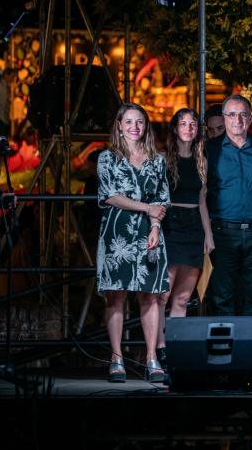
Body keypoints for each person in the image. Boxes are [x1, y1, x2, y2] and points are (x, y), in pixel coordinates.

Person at [96, 103, 169, 383]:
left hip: (150, 233)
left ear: (146, 126)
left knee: (150, 295)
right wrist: (146, 208)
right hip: (117, 235)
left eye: (139, 122)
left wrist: (154, 224)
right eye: (129, 122)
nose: (134, 127)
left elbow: (161, 198)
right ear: (119, 125)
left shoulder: (157, 159)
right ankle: (116, 359)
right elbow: (110, 195)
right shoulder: (107, 158)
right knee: (116, 295)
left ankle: (151, 358)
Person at [155, 108, 215, 368]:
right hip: (170, 224)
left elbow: (203, 201)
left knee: (182, 298)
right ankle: (159, 348)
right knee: (162, 295)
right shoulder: (162, 159)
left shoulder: (202, 159)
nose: (189, 128)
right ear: (175, 128)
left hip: (193, 227)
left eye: (192, 124)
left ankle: (175, 347)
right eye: (183, 123)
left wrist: (208, 235)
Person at [206, 94, 252, 316]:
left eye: (243, 114)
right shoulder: (209, 150)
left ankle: (251, 349)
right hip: (222, 232)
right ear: (224, 118)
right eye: (232, 115)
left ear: (251, 118)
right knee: (222, 296)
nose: (238, 120)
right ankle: (223, 350)